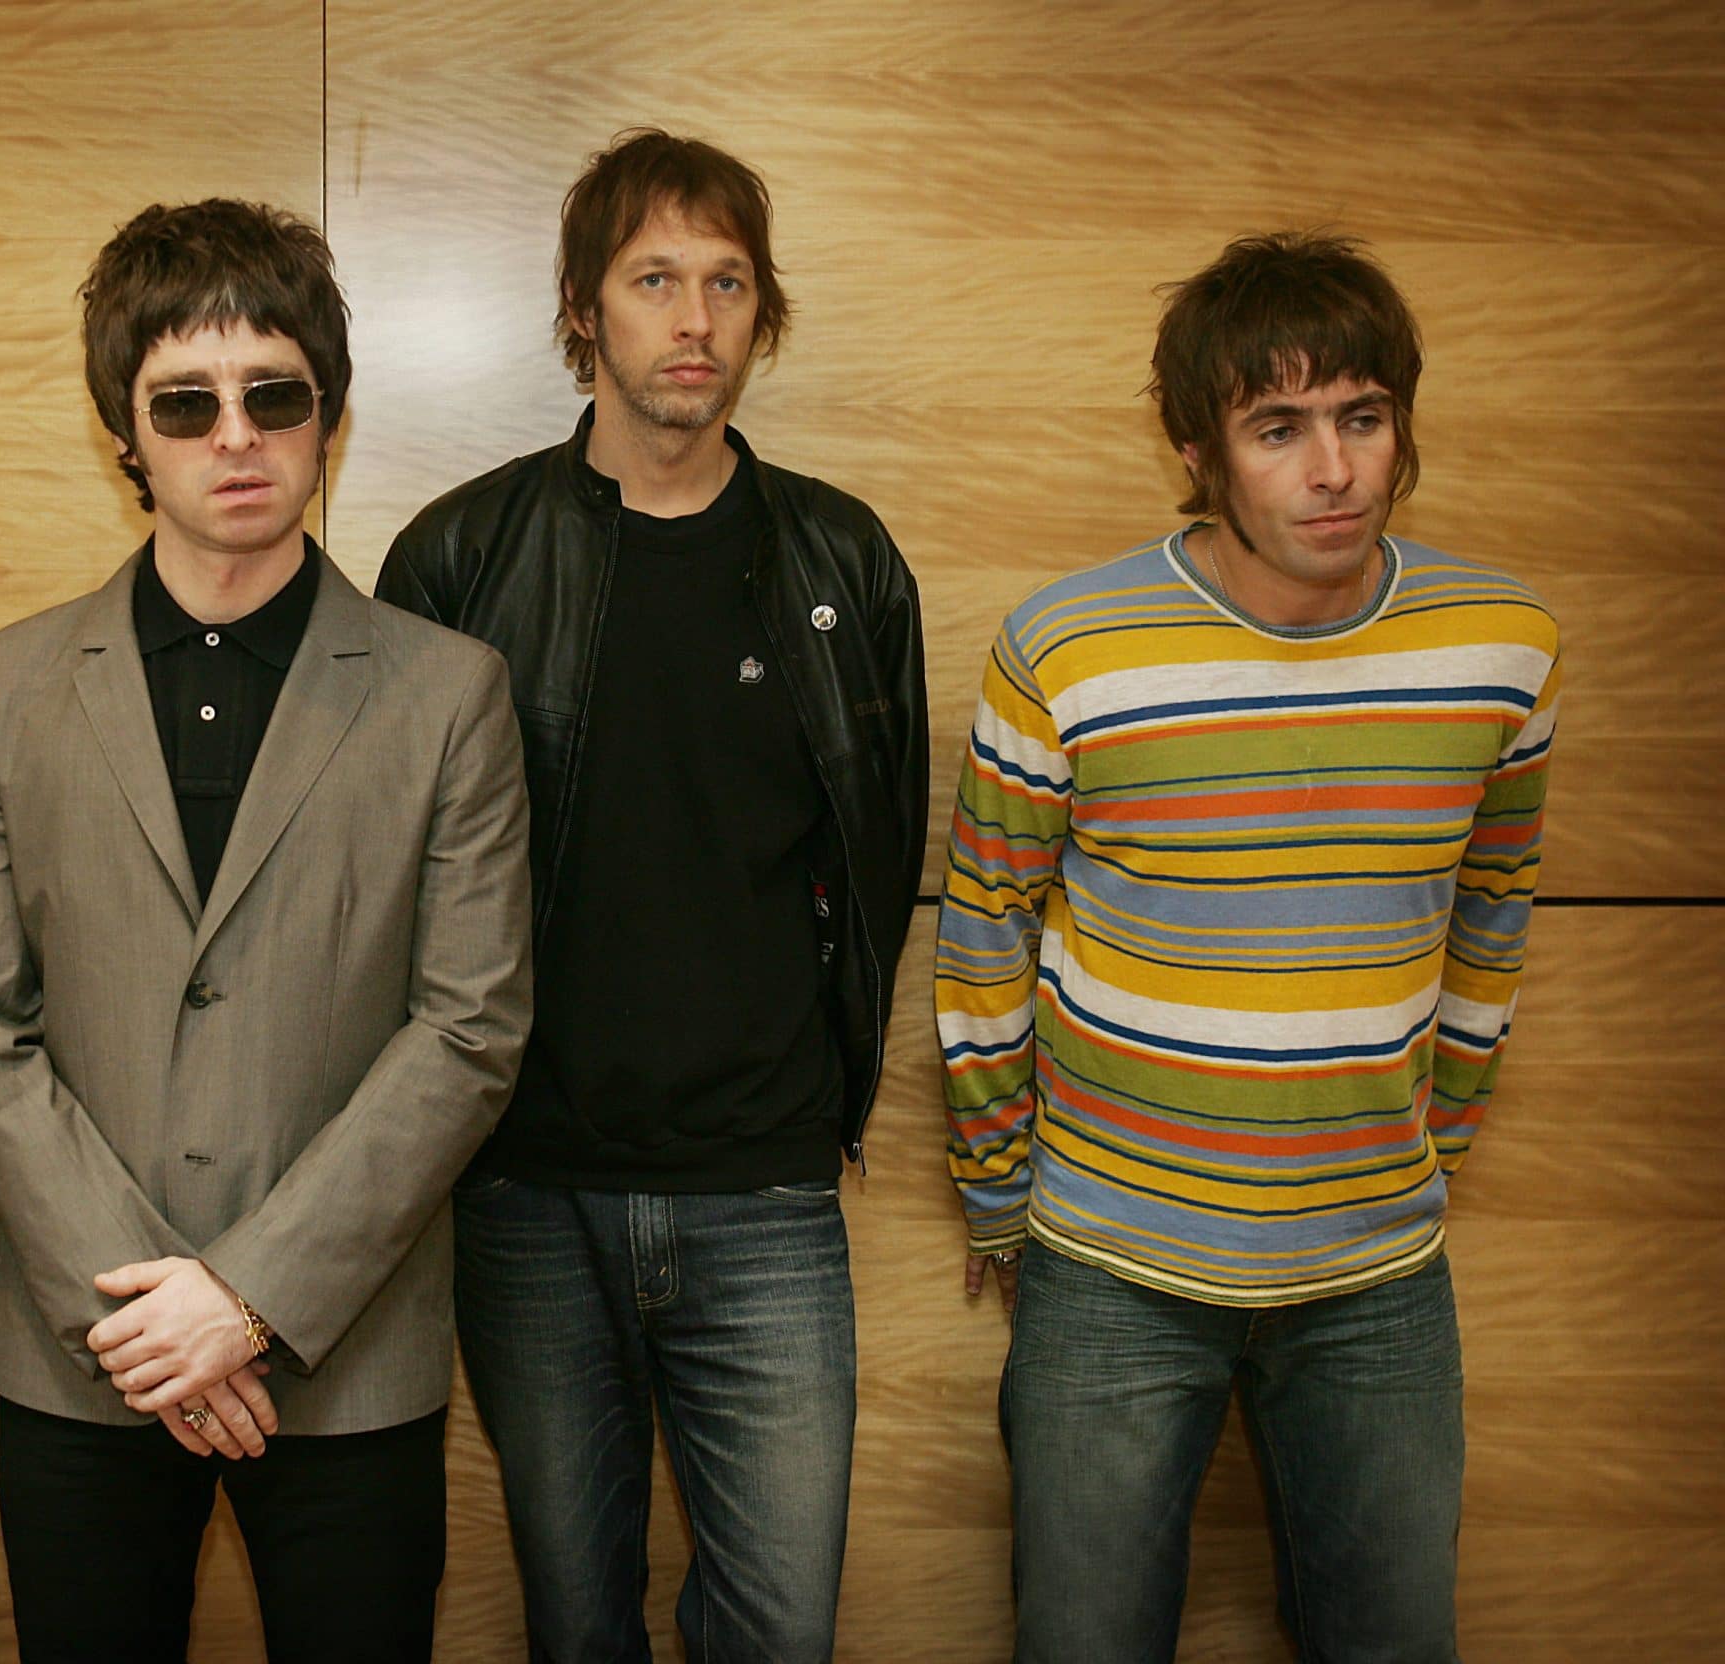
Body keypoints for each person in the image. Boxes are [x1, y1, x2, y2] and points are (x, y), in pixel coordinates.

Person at [0, 196, 532, 1663]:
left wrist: (249, 1300)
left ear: (330, 415)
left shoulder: (451, 695)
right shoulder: (8, 688)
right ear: (124, 434)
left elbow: (470, 1028)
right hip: (88, 1357)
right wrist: (153, 1313)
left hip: (347, 1359)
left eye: (276, 395)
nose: (236, 436)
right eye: (185, 403)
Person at [938, 230, 1560, 1662]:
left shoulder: (1505, 648)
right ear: (1202, 447)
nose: (1331, 468)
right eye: (1278, 427)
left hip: (1378, 1273)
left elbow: (1494, 920)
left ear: (1403, 425)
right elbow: (983, 939)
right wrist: (996, 1193)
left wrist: (1429, 1148)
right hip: (1110, 1260)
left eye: (1362, 416)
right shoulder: (1069, 648)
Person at [378, 129, 929, 1662]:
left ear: (763, 314)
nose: (694, 319)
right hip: (528, 1194)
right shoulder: (460, 559)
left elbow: (879, 859)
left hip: (764, 1195)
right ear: (583, 310)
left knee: (782, 1634)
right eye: (654, 279)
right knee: (576, 1625)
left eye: (728, 282)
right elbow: (396, 884)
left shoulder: (845, 560)